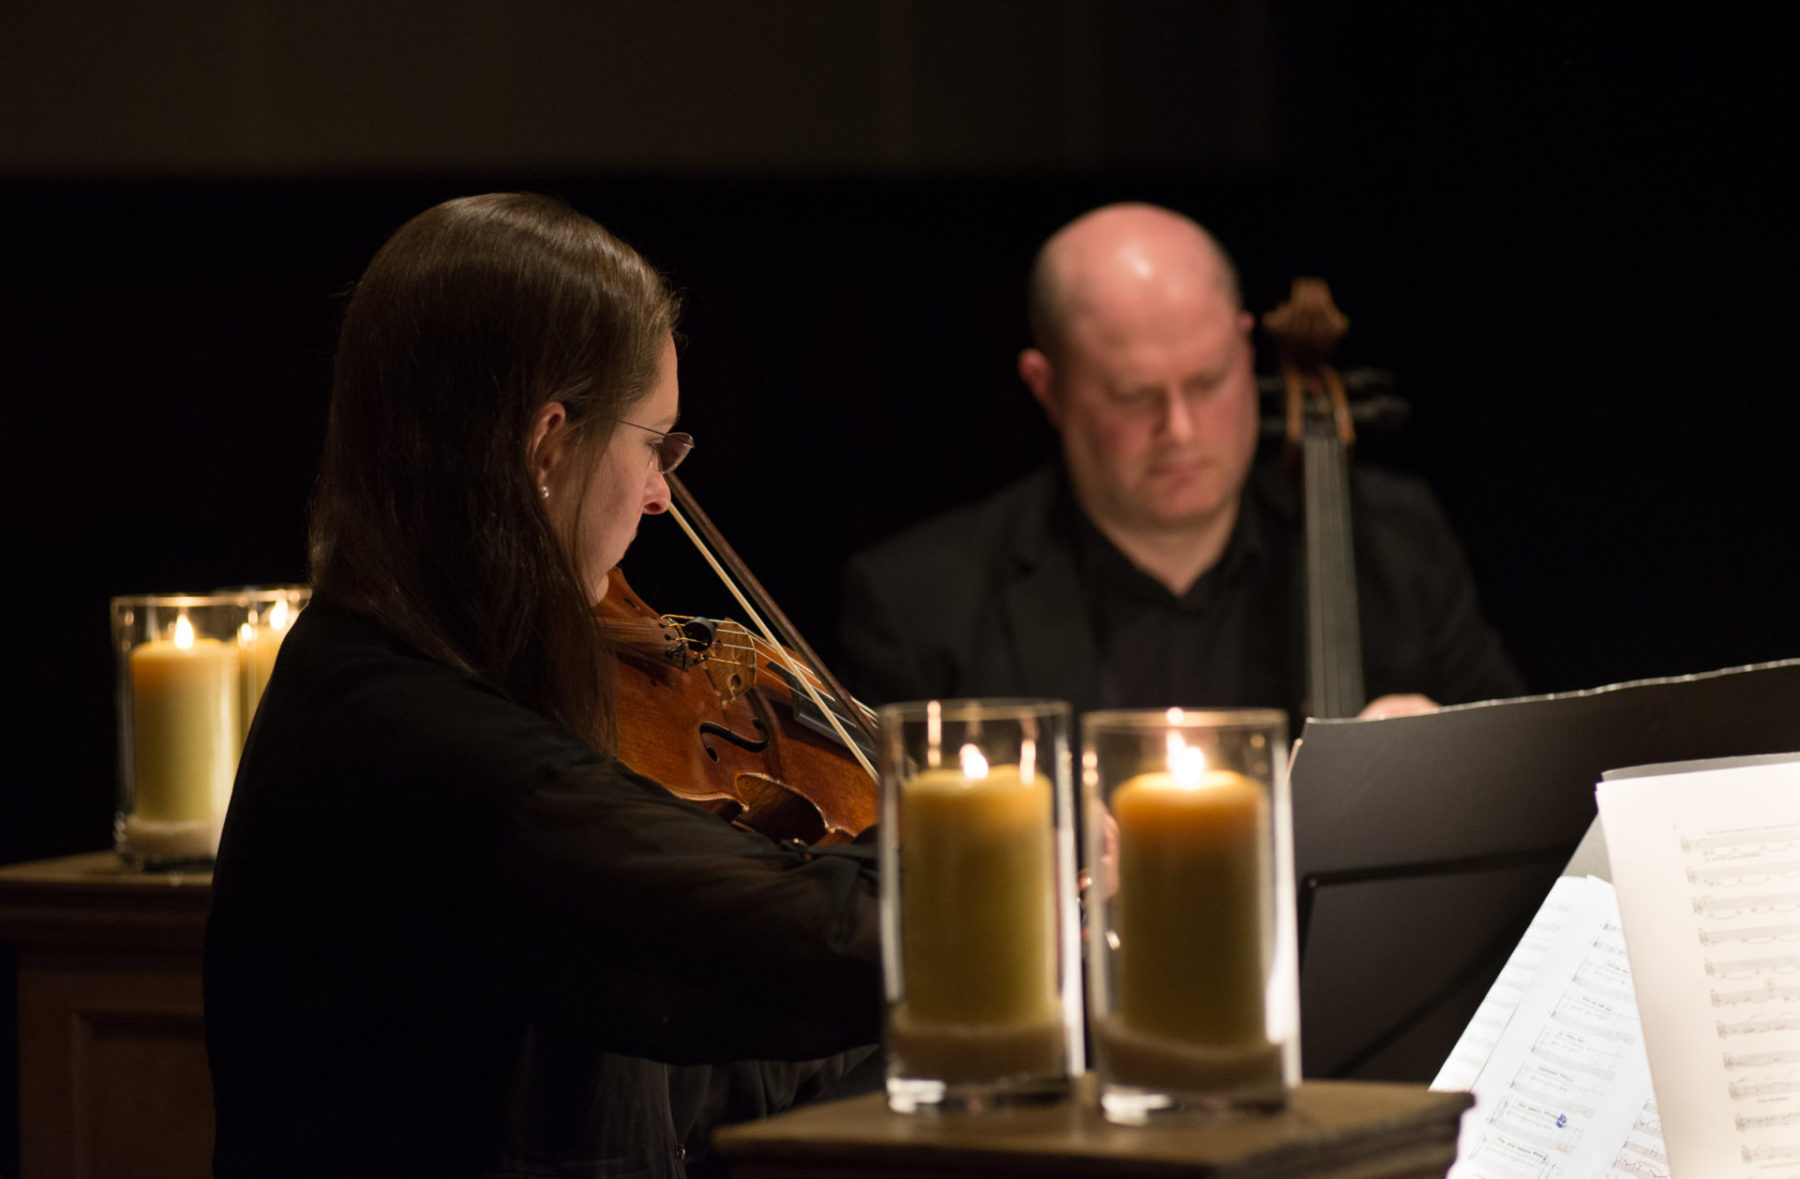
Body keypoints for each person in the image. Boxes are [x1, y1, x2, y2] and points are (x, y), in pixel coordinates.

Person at [203, 194, 880, 1179]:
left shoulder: (395, 674)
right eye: (655, 445)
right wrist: (996, 854)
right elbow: (809, 940)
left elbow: (656, 1078)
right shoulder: (430, 748)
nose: (661, 493)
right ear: (548, 445)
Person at [840, 202, 1523, 726]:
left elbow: (1536, 808)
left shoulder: (1396, 544)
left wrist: (1456, 775)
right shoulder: (918, 608)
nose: (1181, 428)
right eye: (1134, 395)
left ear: (1245, 345)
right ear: (1046, 387)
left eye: (1207, 382)